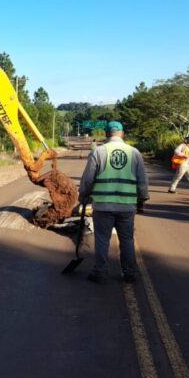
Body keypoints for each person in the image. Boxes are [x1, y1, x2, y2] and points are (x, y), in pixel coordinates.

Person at [79, 121, 149, 284]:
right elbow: (142, 182)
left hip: (103, 205)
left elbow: (88, 179)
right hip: (127, 206)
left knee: (102, 239)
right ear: (123, 134)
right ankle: (130, 273)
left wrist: (84, 196)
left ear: (106, 134)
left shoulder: (99, 152)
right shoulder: (134, 153)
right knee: (127, 240)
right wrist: (142, 200)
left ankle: (100, 273)